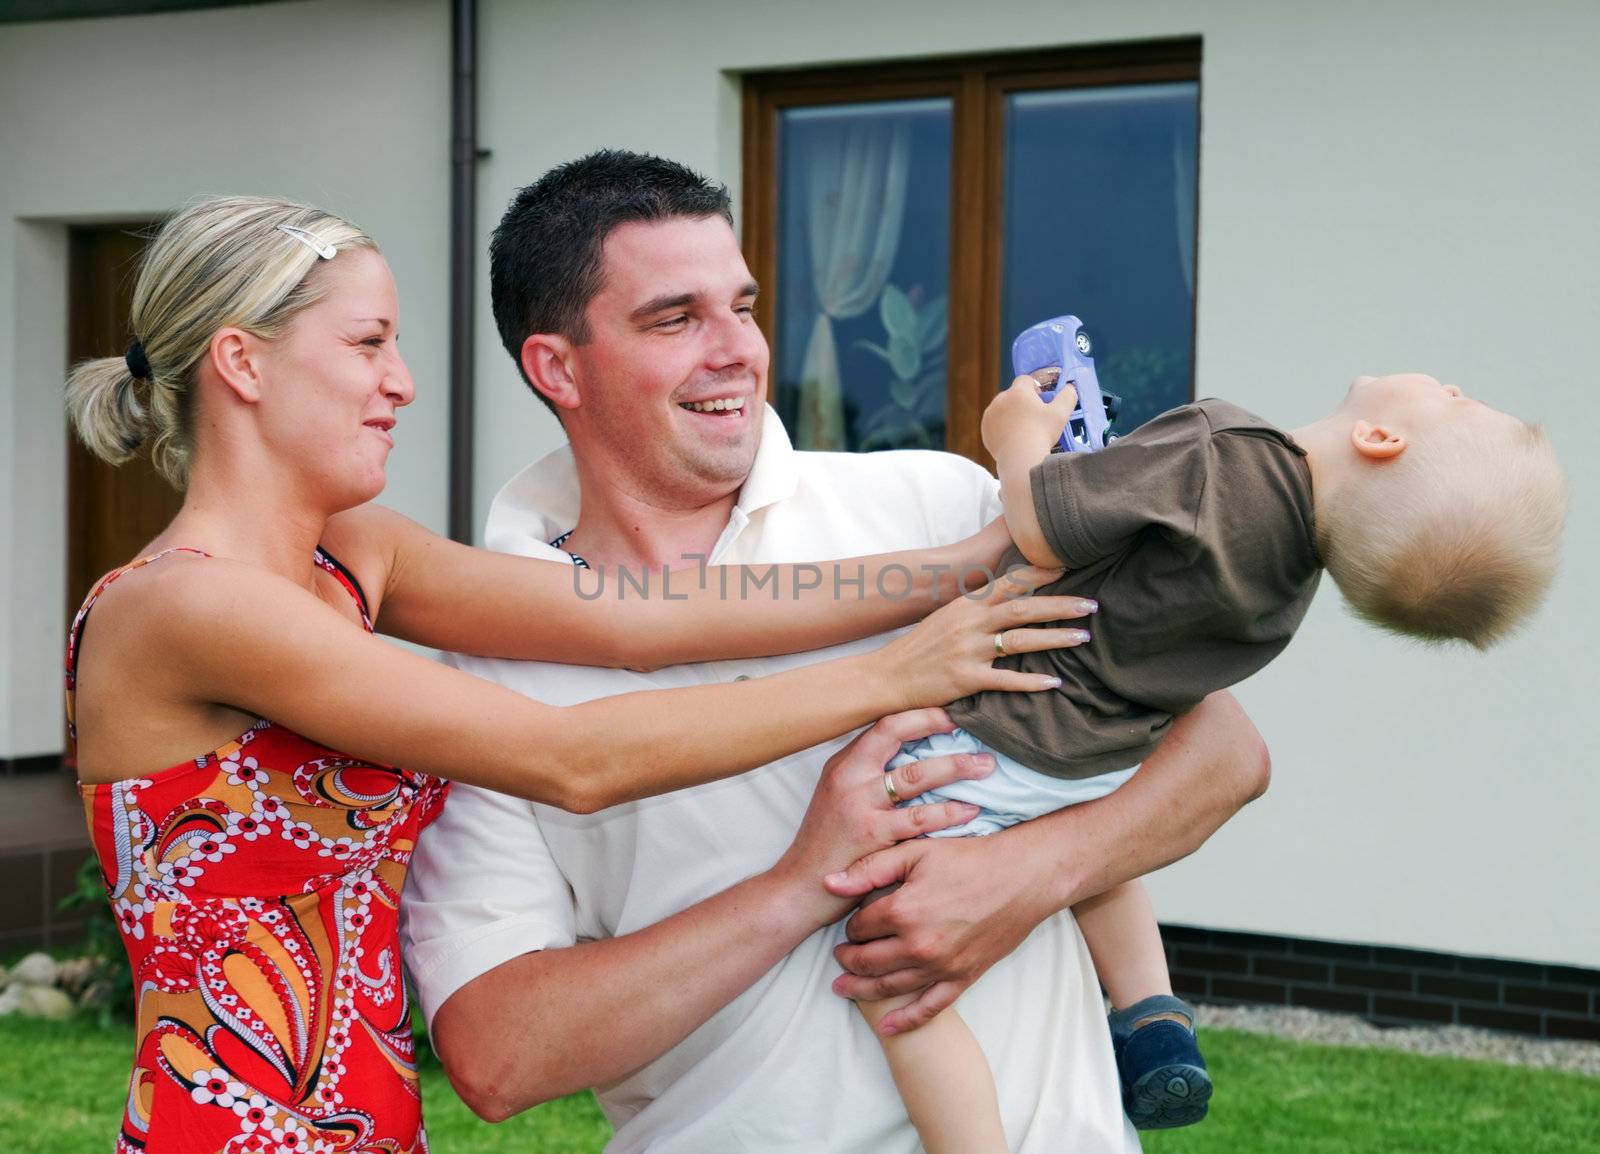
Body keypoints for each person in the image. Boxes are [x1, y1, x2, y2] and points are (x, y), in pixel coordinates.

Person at [61, 194, 1097, 1154]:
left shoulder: (353, 551)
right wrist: (896, 672)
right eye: (368, 342)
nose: (402, 379)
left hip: (367, 1122)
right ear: (241, 361)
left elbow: (642, 616)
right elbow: (569, 757)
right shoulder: (183, 604)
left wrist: (964, 561)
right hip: (231, 1126)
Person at [401, 150, 1272, 1153]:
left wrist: (1026, 874)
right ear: (557, 366)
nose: (737, 348)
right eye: (675, 318)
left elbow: (1224, 750)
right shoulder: (484, 677)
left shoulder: (935, 506)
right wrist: (800, 884)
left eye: (743, 304)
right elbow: (499, 1052)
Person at [868, 368, 1567, 1149]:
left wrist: (1016, 435)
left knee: (896, 991)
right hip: (1101, 761)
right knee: (1101, 866)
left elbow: (1038, 526)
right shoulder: (1290, 581)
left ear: (1381, 439)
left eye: (1455, 398)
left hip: (993, 740)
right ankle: (1153, 1015)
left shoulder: (1219, 448)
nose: (1448, 382)